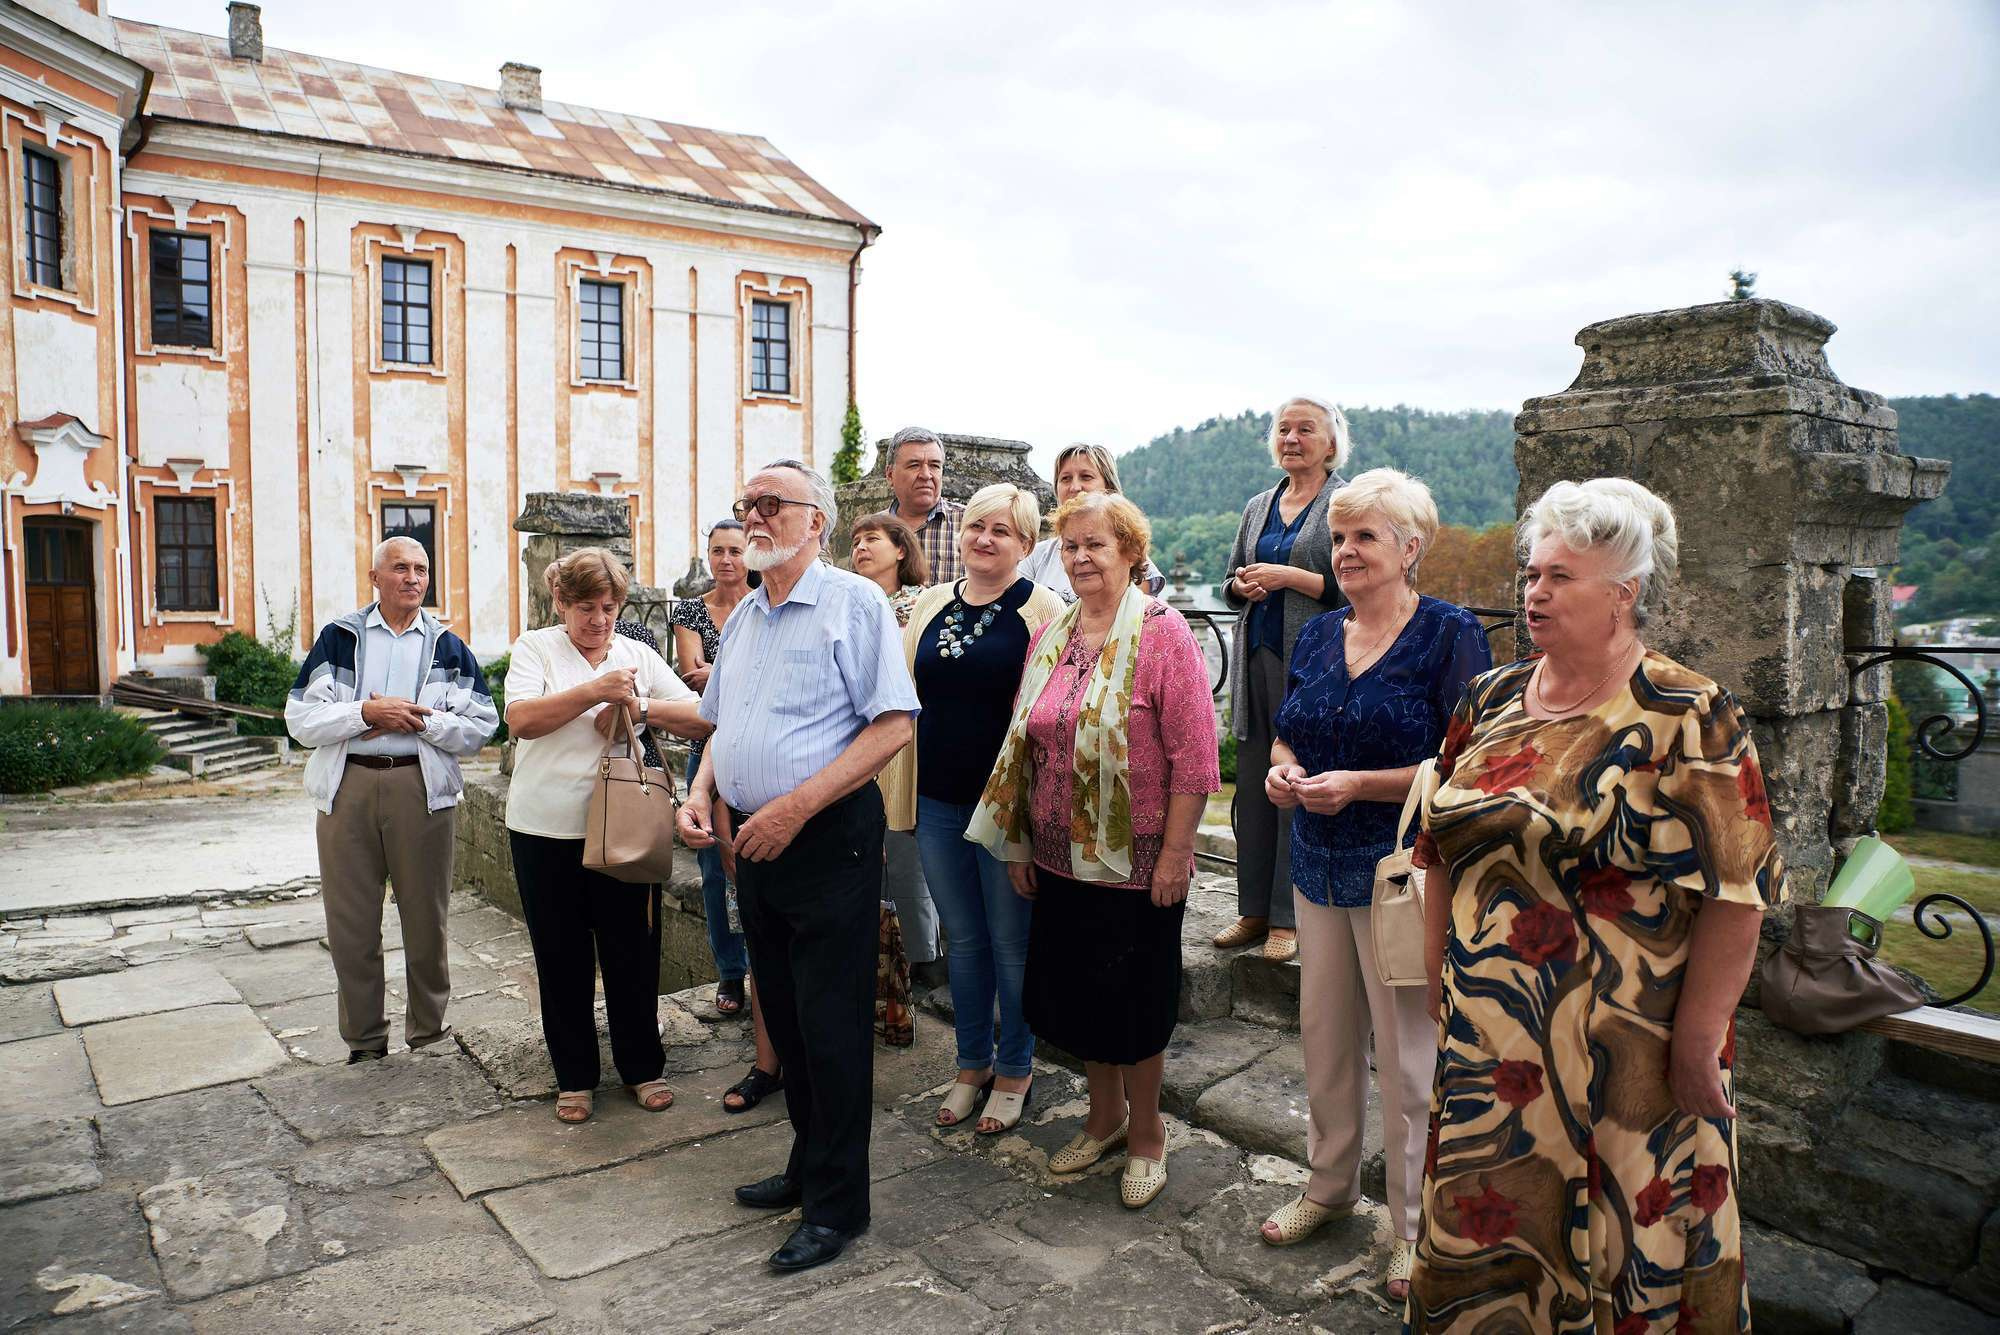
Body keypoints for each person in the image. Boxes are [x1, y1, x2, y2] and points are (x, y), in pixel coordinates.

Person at [1406, 479, 1782, 1334]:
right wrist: (1438, 979)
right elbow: (1439, 847)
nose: (1534, 592)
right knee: (1495, 1218)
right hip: (1491, 1042)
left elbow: (1738, 889)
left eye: (1560, 577)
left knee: (1621, 1242)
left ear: (1625, 594)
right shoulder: (1490, 699)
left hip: (1627, 1052)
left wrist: (1697, 1042)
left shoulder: (1687, 711)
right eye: (1532, 574)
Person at [676, 460, 918, 1274]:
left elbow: (892, 727)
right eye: (748, 504)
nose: (755, 517)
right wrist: (704, 792)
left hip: (825, 839)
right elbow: (720, 723)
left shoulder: (854, 604)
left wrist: (792, 807)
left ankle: (838, 1207)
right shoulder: (745, 615)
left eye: (772, 505)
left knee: (832, 1026)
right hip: (754, 842)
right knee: (779, 1010)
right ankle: (807, 1165)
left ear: (816, 522)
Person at [1254, 470, 1490, 1302]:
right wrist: (1287, 776)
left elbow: (1465, 766)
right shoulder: (1320, 635)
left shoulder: (1450, 634)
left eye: (1364, 538)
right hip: (1316, 862)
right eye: (1340, 538)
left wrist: (1361, 782)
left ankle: (1414, 1226)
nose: (1346, 552)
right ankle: (1328, 1185)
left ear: (1410, 549)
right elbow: (1287, 735)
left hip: (1404, 876)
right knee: (1323, 1037)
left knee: (1408, 1058)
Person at [971, 491, 1219, 1210]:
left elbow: (1197, 759)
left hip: (1139, 862)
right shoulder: (1056, 632)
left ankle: (1147, 1134)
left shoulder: (1165, 634)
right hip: (1058, 855)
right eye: (1071, 546)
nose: (1081, 558)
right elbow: (1027, 740)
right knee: (1081, 992)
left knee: (1134, 1002)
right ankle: (1103, 1117)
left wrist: (1175, 854)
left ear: (1131, 552)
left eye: (1096, 545)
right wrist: (1019, 841)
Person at [503, 548, 709, 1125]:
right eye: (586, 607)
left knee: (634, 952)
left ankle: (643, 1067)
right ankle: (575, 1076)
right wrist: (595, 691)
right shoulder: (535, 648)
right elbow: (520, 720)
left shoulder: (636, 654)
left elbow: (701, 714)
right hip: (546, 828)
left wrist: (639, 705)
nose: (599, 620)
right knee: (561, 956)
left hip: (625, 822)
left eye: (610, 607)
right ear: (560, 604)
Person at [885, 484, 1063, 1133]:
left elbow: (1050, 713)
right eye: (977, 527)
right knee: (961, 940)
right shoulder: (931, 604)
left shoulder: (1043, 609)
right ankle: (971, 1062)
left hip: (1006, 806)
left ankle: (1016, 1065)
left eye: (1003, 531)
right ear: (960, 535)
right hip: (935, 797)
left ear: (1026, 543)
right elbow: (901, 693)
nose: (986, 539)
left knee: (1010, 941)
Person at [286, 537, 497, 1063]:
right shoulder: (340, 639)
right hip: (349, 788)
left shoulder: (448, 645)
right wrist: (366, 714)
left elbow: (483, 726)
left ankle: (427, 1032)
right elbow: (300, 720)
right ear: (375, 577)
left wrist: (423, 720)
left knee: (427, 920)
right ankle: (364, 1041)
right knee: (351, 922)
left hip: (420, 790)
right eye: (400, 568)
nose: (413, 578)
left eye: (422, 569)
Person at [1217, 396, 1348, 962]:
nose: (1292, 438)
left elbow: (1354, 583)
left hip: (1312, 666)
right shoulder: (1257, 505)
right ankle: (1252, 909)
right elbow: (1228, 580)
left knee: (1297, 780)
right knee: (1253, 784)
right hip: (1255, 660)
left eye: (1305, 430)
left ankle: (1290, 917)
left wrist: (1295, 576)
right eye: (1284, 430)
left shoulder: (1345, 502)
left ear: (1330, 442)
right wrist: (1241, 586)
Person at [850, 510, 942, 984]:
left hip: (910, 742)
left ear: (901, 549)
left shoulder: (926, 606)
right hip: (857, 737)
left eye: (873, 539)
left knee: (908, 852)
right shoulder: (848, 604)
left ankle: (922, 957)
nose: (861, 548)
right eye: (856, 541)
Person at [671, 521, 753, 1017]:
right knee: (712, 867)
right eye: (718, 551)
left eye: (735, 551)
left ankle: (764, 967)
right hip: (707, 748)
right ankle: (730, 973)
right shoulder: (689, 610)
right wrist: (726, 674)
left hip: (753, 747)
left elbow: (710, 675)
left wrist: (715, 672)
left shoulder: (764, 603)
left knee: (757, 863)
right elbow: (690, 675)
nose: (726, 560)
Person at [1019, 443, 1165, 599]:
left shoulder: (1128, 554)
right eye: (1066, 479)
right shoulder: (1036, 555)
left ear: (1109, 487)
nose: (1074, 487)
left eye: (1086, 477)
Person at [883, 425, 965, 584]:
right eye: (914, 465)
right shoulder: (871, 531)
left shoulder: (971, 524)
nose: (926, 475)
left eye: (935, 465)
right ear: (890, 474)